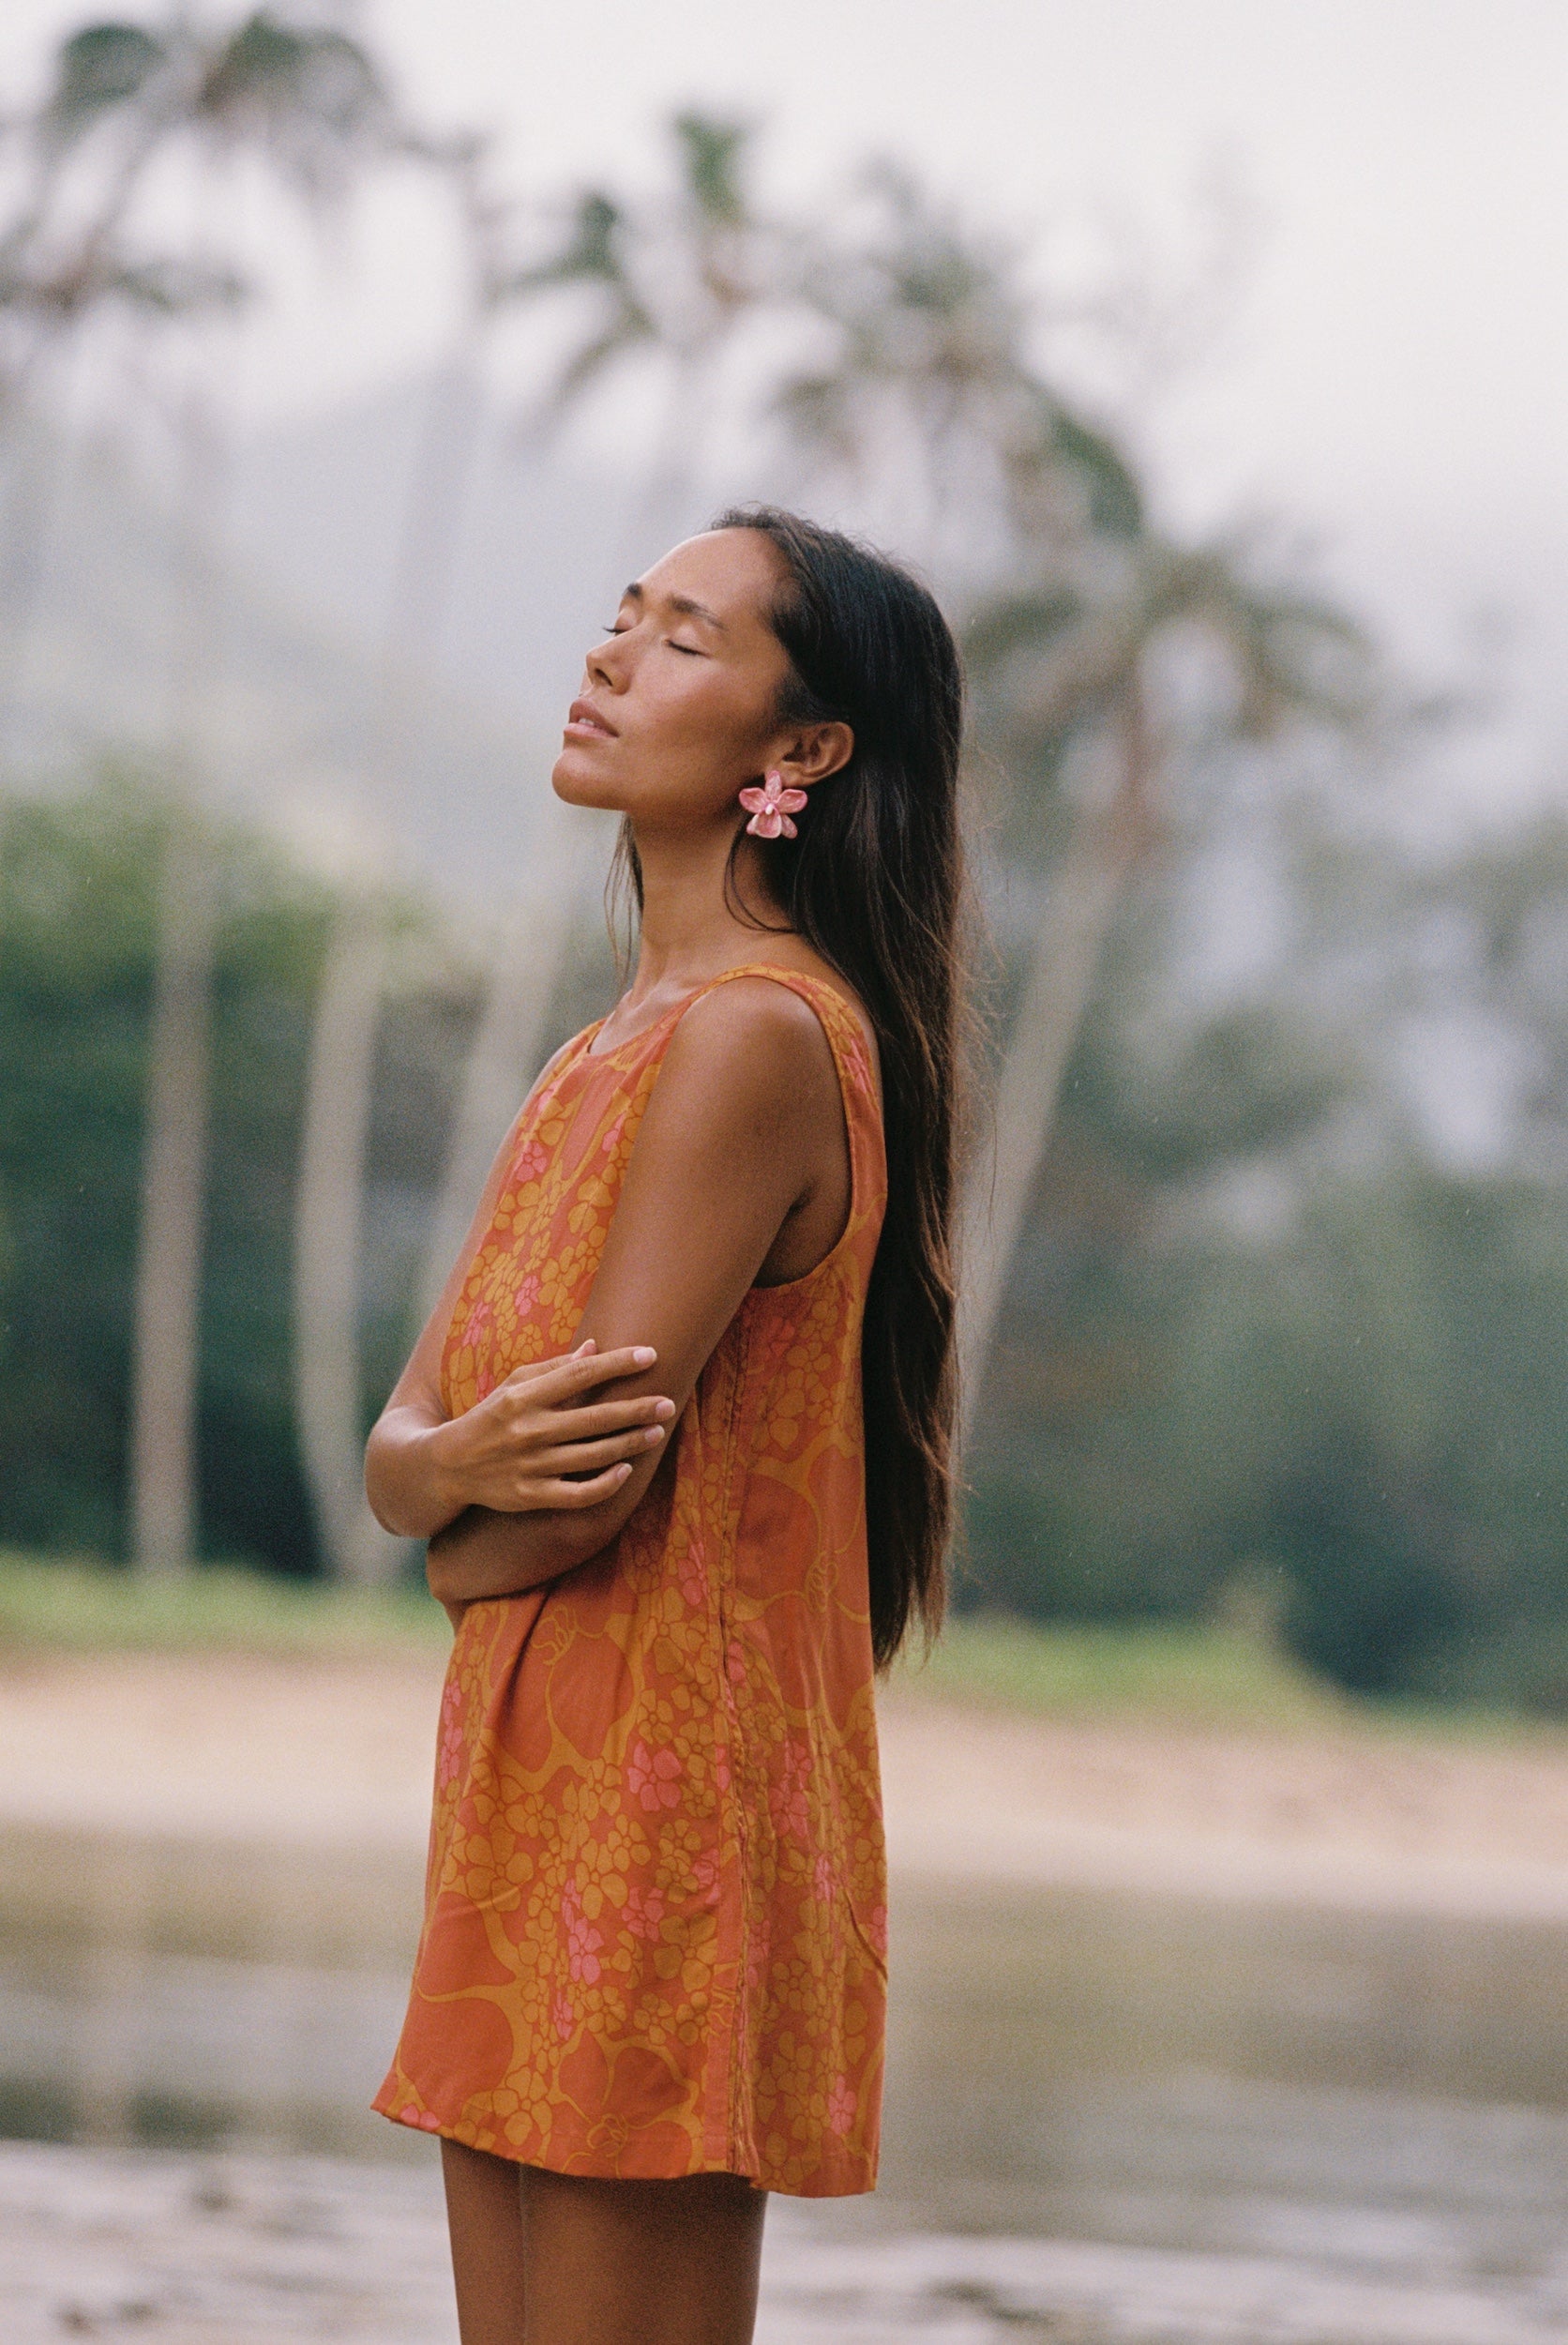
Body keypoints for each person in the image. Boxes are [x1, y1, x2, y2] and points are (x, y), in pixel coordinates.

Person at [364, 505, 966, 2345]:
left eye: (684, 637)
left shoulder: (754, 1039)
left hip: (664, 1812)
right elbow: (407, 1437)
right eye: (623, 614)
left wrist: (448, 1527)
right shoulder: (612, 1038)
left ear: (801, 751)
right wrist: (443, 1496)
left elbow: (558, 1508)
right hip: (531, 1781)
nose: (612, 655)